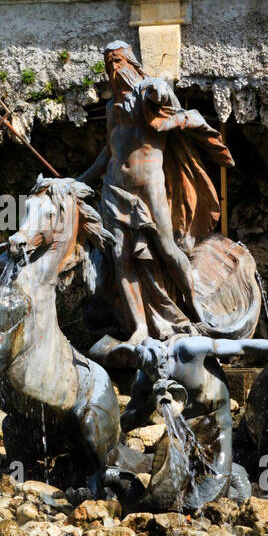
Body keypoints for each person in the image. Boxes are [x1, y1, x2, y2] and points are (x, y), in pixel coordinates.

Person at [78, 42, 234, 342]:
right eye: (109, 64)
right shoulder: (112, 108)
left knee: (166, 248)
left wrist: (155, 89)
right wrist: (81, 180)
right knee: (121, 257)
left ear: (133, 64)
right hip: (114, 189)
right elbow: (110, 151)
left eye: (119, 61)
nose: (114, 69)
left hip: (149, 188)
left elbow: (159, 92)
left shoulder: (149, 96)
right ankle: (139, 327)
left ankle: (195, 308)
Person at [118, 330, 268, 507]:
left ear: (167, 357)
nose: (161, 377)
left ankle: (234, 475)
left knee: (208, 494)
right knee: (162, 489)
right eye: (153, 374)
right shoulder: (146, 376)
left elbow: (241, 346)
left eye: (164, 371)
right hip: (182, 427)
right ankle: (121, 485)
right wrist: (148, 403)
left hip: (215, 421)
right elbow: (128, 422)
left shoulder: (189, 349)